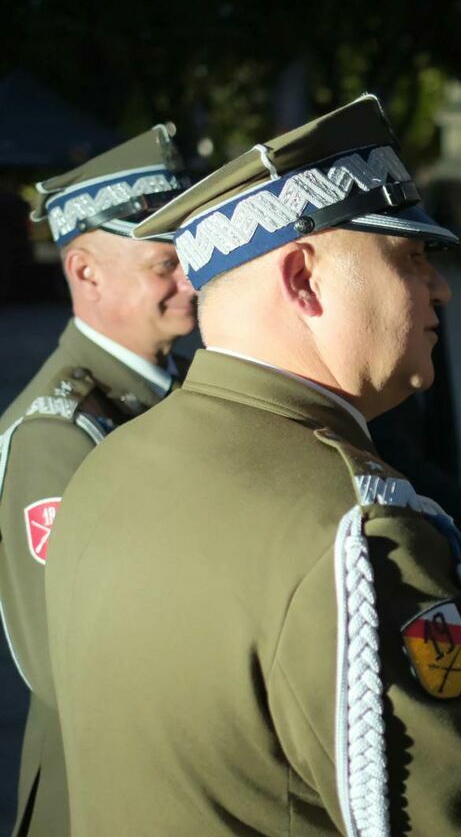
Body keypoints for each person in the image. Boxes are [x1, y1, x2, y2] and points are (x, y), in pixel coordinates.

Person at [43, 96, 461, 836]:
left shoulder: (110, 461)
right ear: (302, 279)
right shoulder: (355, 532)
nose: (440, 287)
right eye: (409, 258)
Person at [0, 124, 195, 836]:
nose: (192, 280)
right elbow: (63, 664)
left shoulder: (174, 389)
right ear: (85, 272)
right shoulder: (59, 431)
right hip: (110, 797)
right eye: (165, 265)